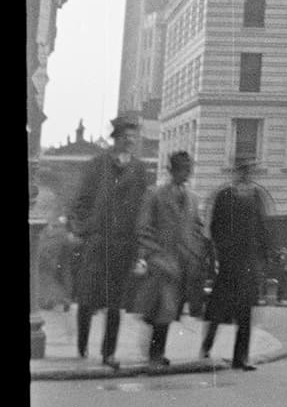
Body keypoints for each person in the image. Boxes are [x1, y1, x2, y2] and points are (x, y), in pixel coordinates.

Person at [68, 111, 153, 368]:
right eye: (126, 137)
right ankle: (82, 344)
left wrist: (141, 248)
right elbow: (82, 201)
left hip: (124, 244)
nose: (130, 141)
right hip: (98, 241)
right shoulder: (97, 164)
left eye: (133, 137)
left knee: (115, 302)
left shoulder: (139, 169)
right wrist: (82, 229)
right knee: (87, 297)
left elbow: (143, 208)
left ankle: (109, 354)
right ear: (115, 138)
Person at [133, 150, 206, 370]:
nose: (186, 174)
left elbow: (196, 228)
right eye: (183, 170)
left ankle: (156, 350)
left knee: (169, 310)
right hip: (161, 261)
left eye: (188, 169)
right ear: (171, 170)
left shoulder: (192, 198)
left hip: (183, 263)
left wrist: (196, 251)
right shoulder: (155, 195)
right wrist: (153, 254)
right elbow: (143, 228)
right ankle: (156, 354)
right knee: (164, 309)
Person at [201, 156, 272, 371]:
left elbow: (261, 228)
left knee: (245, 312)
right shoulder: (225, 196)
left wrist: (264, 256)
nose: (246, 174)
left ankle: (240, 358)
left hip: (248, 263)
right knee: (219, 308)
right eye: (243, 170)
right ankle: (206, 345)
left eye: (249, 170)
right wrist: (222, 252)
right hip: (230, 261)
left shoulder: (256, 196)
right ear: (236, 172)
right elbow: (215, 227)